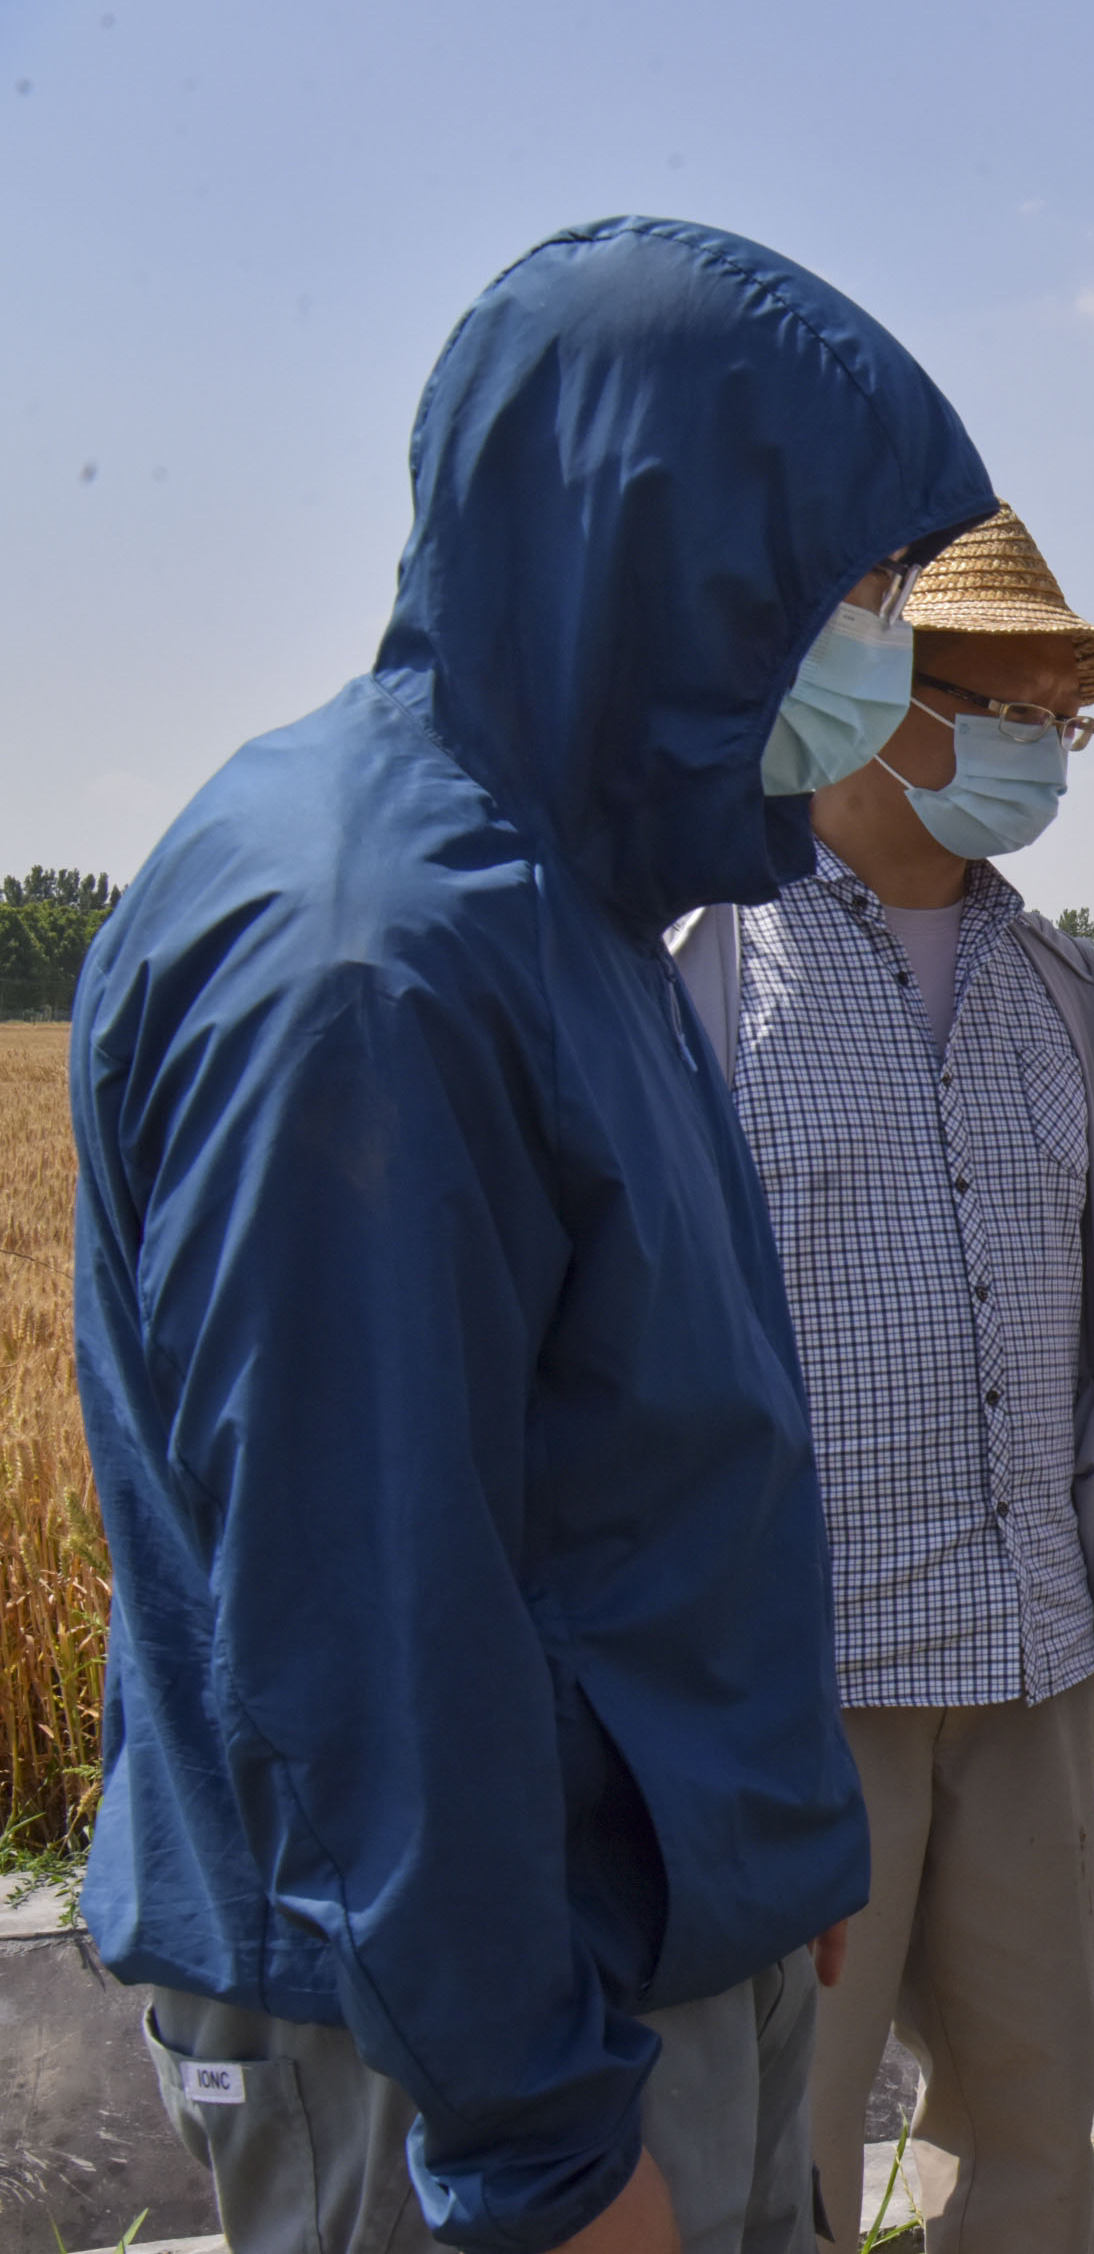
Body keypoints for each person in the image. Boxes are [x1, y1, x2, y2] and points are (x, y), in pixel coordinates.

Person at [68, 219, 997, 2254]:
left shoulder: (561, 904)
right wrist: (537, 2151)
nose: (877, 649)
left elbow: (648, 1453)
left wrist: (772, 1839)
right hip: (458, 2043)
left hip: (641, 1946)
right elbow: (369, 1627)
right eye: (848, 591)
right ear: (671, 562)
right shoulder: (367, 964)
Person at [665, 504, 1094, 2250]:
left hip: (1033, 1642)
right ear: (874, 698)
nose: (1042, 755)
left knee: (1035, 2111)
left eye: (1063, 724)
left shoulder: (1059, 987)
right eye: (1009, 709)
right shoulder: (704, 966)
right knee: (790, 2137)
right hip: (804, 1671)